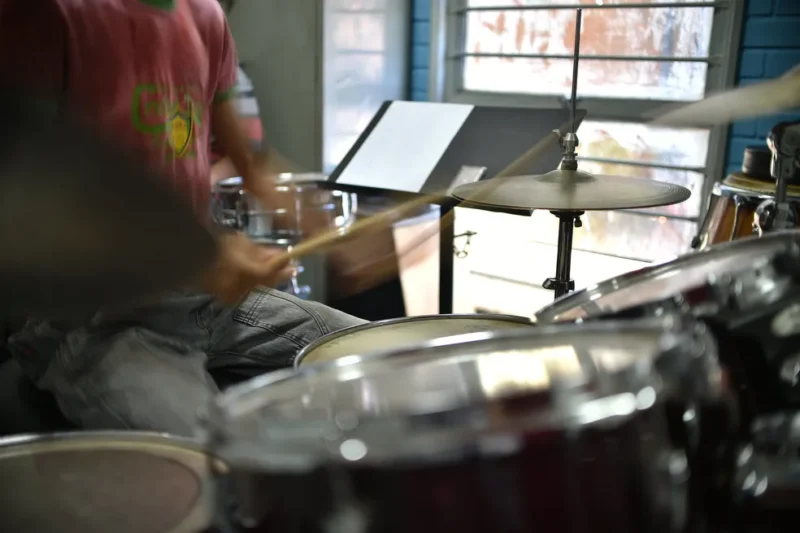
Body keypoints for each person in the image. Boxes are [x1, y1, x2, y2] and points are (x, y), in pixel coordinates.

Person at [0, 0, 365, 436]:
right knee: (219, 454)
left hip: (198, 298)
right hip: (84, 318)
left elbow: (252, 164)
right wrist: (204, 258)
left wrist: (319, 222)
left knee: (392, 362)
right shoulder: (45, 13)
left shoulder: (204, 14)